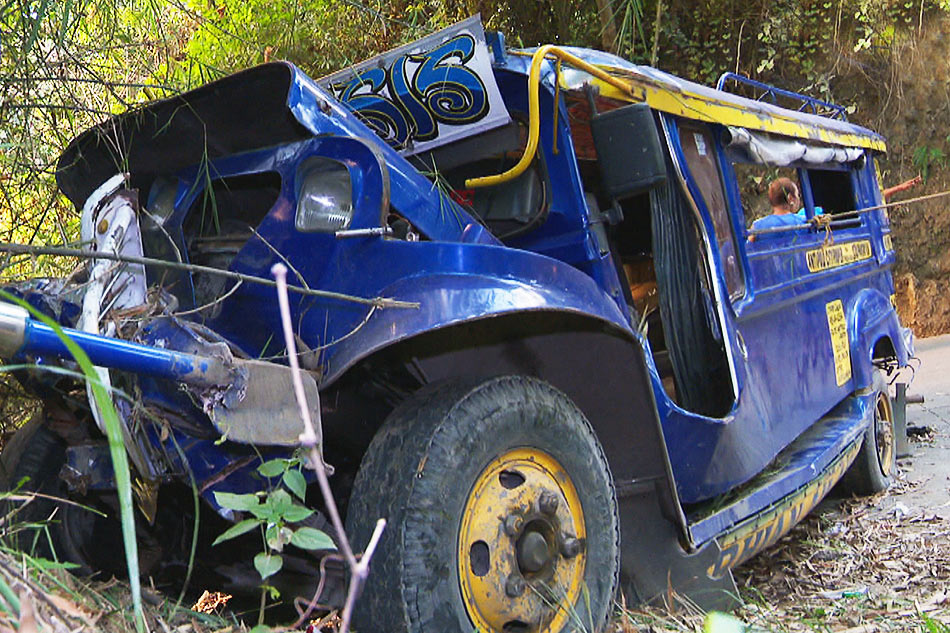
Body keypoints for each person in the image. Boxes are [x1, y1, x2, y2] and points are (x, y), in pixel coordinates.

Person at [748, 177, 805, 241]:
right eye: (797, 195)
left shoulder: (757, 226)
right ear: (790, 198)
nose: (798, 199)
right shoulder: (803, 222)